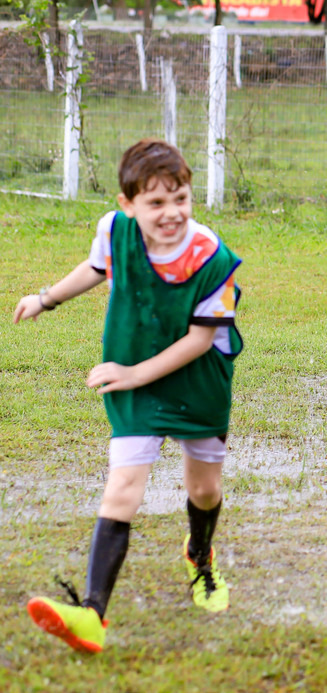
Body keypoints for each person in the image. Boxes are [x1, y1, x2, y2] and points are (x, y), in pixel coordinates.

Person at [14, 139, 243, 653]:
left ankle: (200, 557)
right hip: (131, 374)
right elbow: (96, 268)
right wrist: (45, 298)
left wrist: (136, 373)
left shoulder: (212, 258)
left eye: (180, 199)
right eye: (156, 202)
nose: (171, 213)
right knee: (122, 488)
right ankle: (91, 614)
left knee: (204, 490)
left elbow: (200, 340)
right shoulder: (114, 231)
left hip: (197, 381)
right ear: (128, 204)